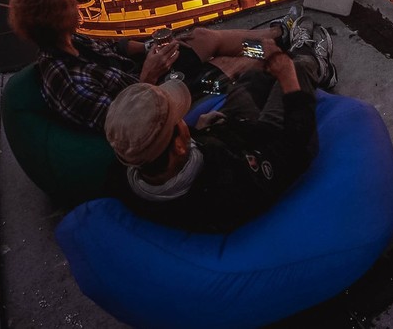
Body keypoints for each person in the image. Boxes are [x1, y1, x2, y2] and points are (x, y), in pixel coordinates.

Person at [7, 0, 309, 131]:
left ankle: (279, 33)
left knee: (202, 36)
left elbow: (116, 47)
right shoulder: (63, 77)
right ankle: (277, 53)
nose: (77, 4)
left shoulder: (73, 42)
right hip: (157, 98)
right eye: (70, 2)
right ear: (56, 15)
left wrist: (151, 46)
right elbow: (121, 124)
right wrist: (149, 77)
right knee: (236, 62)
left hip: (153, 77)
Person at [104, 29, 332, 232]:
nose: (183, 121)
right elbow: (294, 147)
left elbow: (165, 156)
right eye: (178, 121)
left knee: (254, 75)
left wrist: (197, 131)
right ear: (179, 146)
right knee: (297, 68)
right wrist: (287, 74)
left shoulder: (128, 171)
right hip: (264, 142)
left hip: (223, 133)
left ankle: (275, 41)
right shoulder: (229, 182)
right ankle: (316, 62)